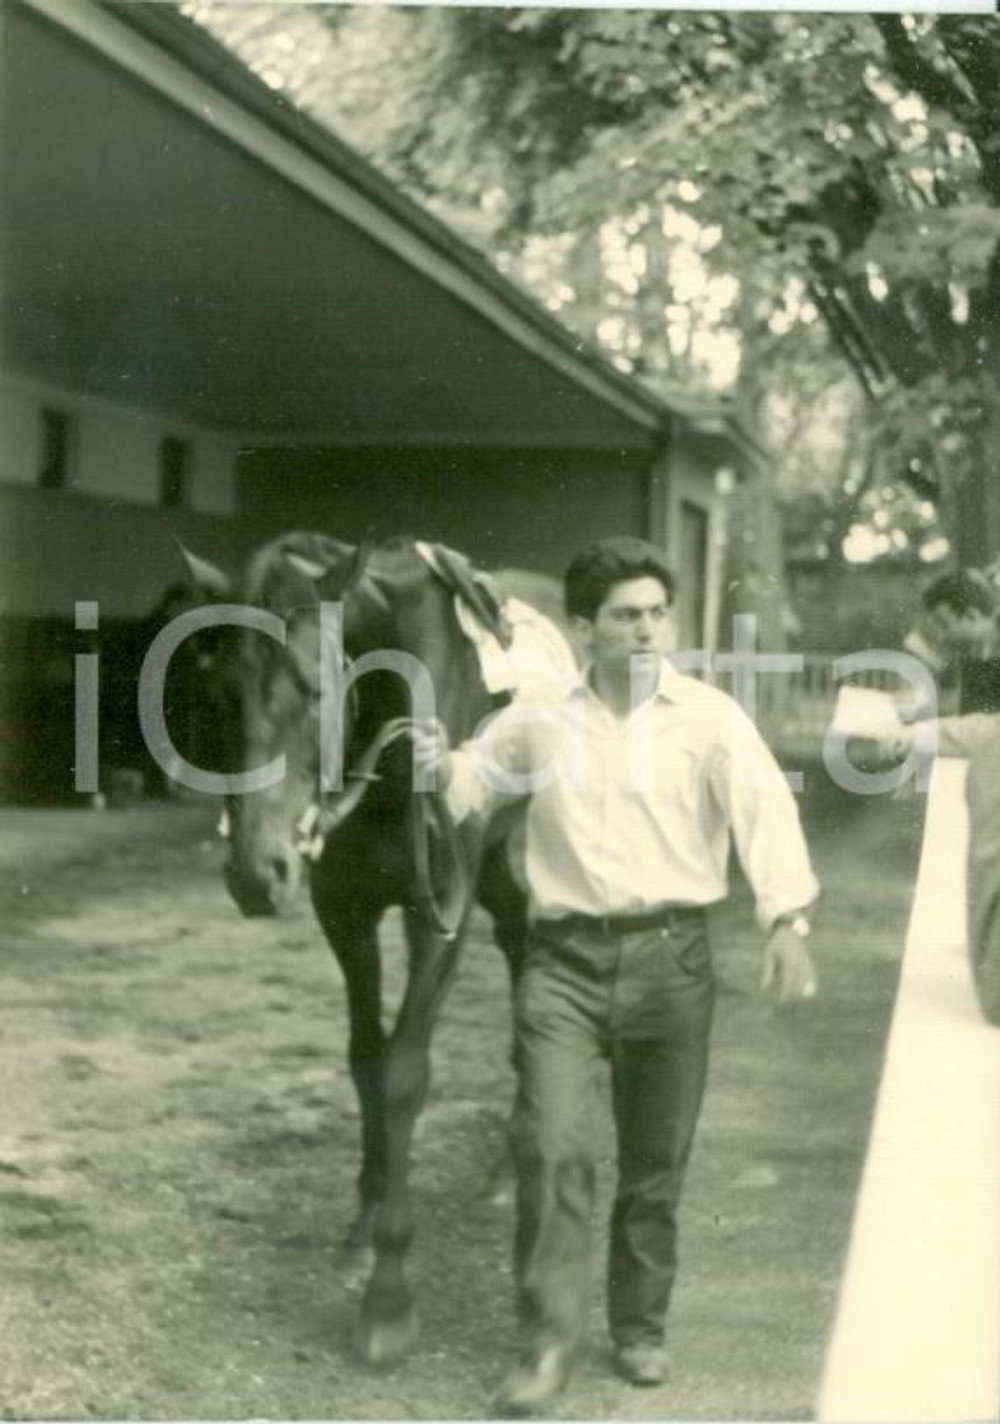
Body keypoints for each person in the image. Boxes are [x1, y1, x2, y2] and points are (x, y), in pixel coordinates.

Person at [414, 537, 820, 1416]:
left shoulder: (709, 719)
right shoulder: (539, 720)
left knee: (653, 1161)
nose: (646, 631)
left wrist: (787, 919)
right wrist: (434, 766)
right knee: (551, 1143)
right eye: (626, 616)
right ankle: (549, 1341)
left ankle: (639, 1327)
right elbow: (472, 781)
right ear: (583, 628)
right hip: (560, 962)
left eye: (655, 613)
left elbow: (765, 814)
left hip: (673, 961)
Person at [905, 568, 1000, 716]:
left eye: (944, 624)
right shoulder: (978, 651)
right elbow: (968, 709)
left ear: (971, 616)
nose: (942, 636)